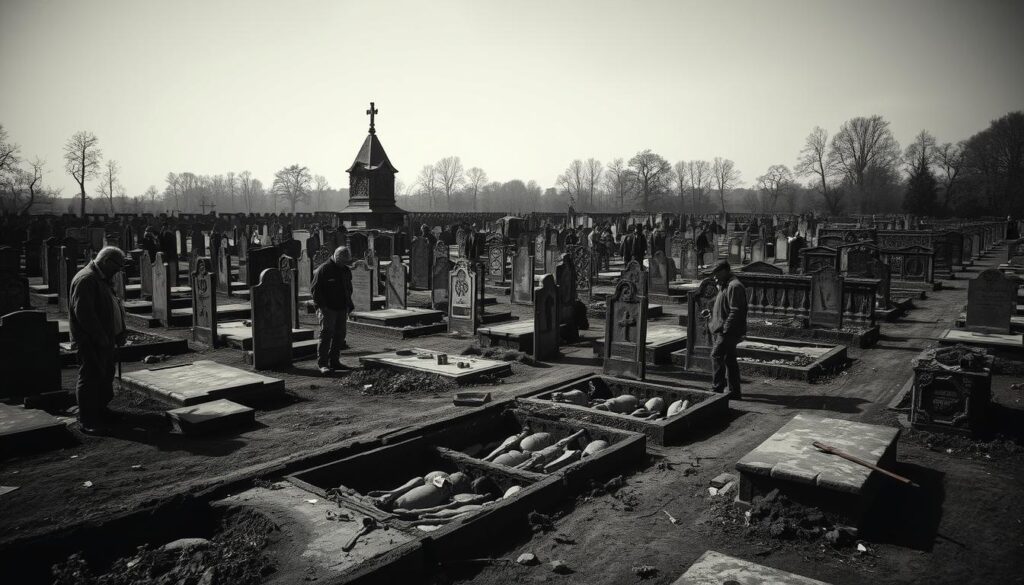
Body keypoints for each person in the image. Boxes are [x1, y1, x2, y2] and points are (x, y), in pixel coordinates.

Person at [69, 246, 128, 434]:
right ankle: (88, 420)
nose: (119, 270)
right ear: (106, 261)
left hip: (106, 338)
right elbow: (84, 314)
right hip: (91, 340)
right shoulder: (87, 279)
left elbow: (112, 304)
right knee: (90, 377)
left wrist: (120, 331)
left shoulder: (102, 278)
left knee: (105, 375)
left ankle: (101, 410)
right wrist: (100, 337)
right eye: (117, 266)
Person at [703, 260, 747, 399]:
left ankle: (718, 389)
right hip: (725, 328)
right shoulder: (725, 285)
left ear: (725, 271)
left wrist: (725, 329)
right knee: (730, 359)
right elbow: (726, 307)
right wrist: (713, 314)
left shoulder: (734, 286)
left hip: (729, 331)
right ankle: (734, 391)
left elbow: (736, 311)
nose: (714, 278)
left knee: (716, 355)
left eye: (717, 274)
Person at [311, 246, 354, 374]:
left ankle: (334, 361)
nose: (343, 264)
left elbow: (348, 288)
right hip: (327, 308)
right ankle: (323, 364)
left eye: (346, 262)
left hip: (341, 308)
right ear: (336, 257)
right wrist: (322, 307)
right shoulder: (324, 269)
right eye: (342, 261)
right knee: (326, 335)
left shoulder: (346, 270)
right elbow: (315, 290)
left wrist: (348, 305)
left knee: (340, 335)